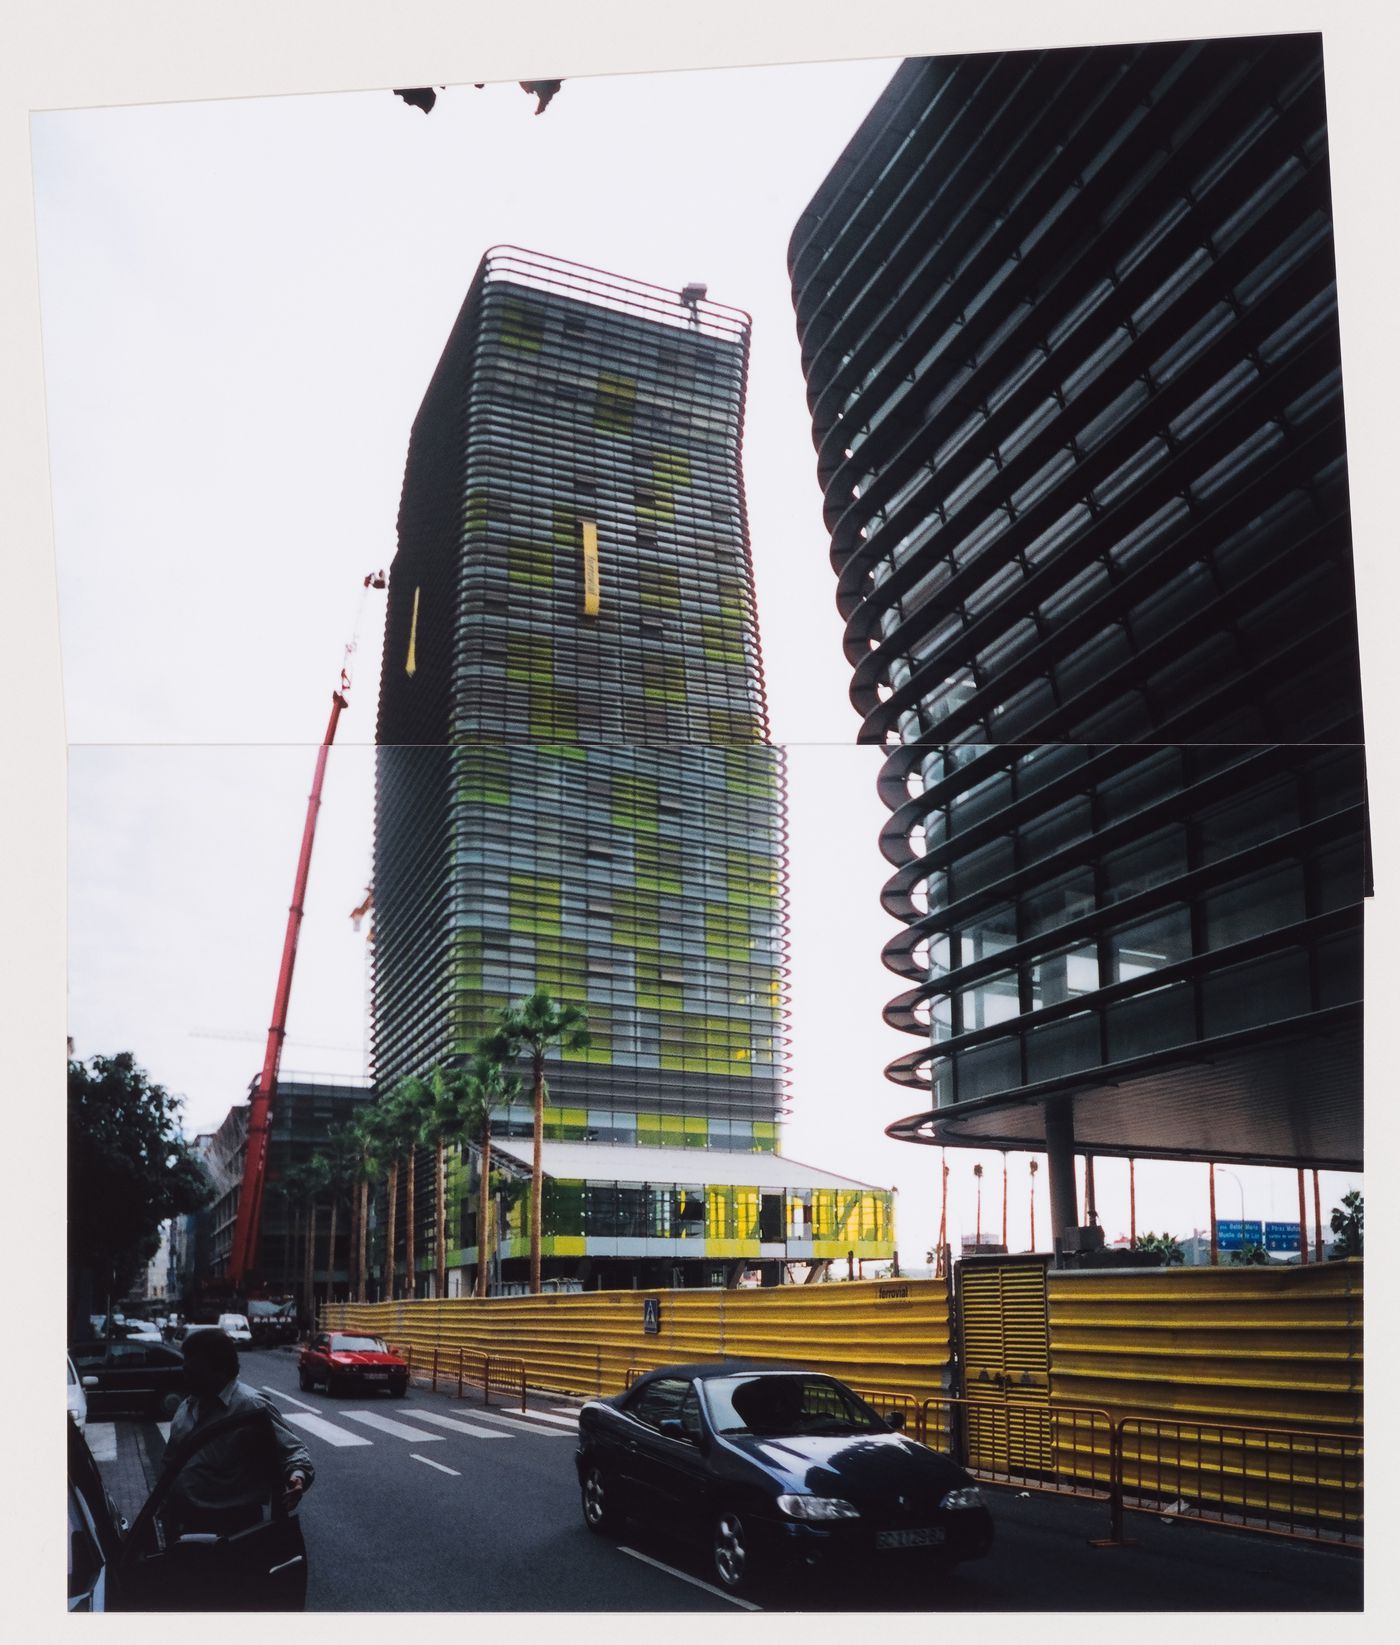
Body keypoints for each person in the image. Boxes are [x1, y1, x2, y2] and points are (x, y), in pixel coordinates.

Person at [161, 1328, 314, 1538]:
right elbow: (171, 1461)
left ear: (219, 1369)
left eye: (193, 1364)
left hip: (233, 1528)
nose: (184, 1368)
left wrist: (297, 1479)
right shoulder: (187, 1406)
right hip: (184, 1523)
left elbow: (294, 1451)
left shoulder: (249, 1405)